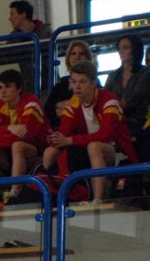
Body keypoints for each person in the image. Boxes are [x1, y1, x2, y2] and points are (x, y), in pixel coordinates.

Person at [42, 61, 137, 204]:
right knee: (50, 151)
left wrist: (69, 140)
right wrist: (56, 138)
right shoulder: (72, 104)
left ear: (93, 84)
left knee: (94, 146)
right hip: (85, 151)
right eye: (73, 81)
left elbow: (105, 135)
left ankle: (97, 200)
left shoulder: (109, 100)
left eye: (82, 82)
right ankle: (50, 198)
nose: (77, 86)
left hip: (117, 152)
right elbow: (65, 133)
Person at [0, 69, 49, 205]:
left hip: (38, 155)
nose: (3, 91)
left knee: (18, 145)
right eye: (0, 87)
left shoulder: (31, 103)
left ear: (19, 88)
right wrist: (9, 128)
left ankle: (14, 195)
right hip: (10, 154)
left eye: (8, 86)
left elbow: (25, 137)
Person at [104, 34, 150, 138]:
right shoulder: (113, 75)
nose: (121, 51)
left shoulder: (145, 72)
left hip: (137, 121)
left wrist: (112, 107)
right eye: (119, 48)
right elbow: (104, 98)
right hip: (114, 118)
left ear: (135, 50)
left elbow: (135, 99)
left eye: (125, 47)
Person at [44, 40, 94, 128]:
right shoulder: (60, 86)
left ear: (87, 58)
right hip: (58, 129)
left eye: (81, 54)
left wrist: (65, 107)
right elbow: (47, 111)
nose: (77, 57)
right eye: (73, 54)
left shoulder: (93, 83)